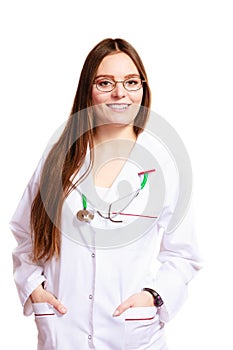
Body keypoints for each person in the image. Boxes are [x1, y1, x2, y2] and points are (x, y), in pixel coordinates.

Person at [10, 38, 201, 350]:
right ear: (88, 89)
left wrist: (153, 297)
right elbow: (25, 234)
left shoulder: (164, 165)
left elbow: (184, 254)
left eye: (131, 82)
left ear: (143, 89)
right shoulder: (57, 159)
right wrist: (34, 287)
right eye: (105, 82)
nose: (120, 93)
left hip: (131, 333)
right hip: (63, 330)